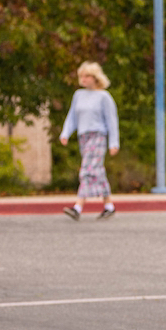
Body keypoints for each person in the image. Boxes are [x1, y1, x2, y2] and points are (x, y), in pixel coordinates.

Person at [59, 61, 120, 220]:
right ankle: (109, 205)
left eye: (87, 76)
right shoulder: (78, 95)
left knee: (86, 170)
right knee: (97, 170)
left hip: (98, 136)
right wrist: (65, 133)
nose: (83, 79)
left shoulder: (104, 97)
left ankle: (78, 207)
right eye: (81, 76)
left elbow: (112, 121)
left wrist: (114, 143)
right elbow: (72, 117)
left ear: (95, 77)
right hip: (83, 137)